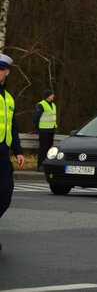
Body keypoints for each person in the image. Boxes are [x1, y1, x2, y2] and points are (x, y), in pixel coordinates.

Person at [0, 53, 25, 251]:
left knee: (6, 193)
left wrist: (18, 151)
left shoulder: (8, 98)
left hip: (3, 153)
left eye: (2, 70)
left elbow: (13, 127)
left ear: (6, 72)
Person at [33, 89, 56, 170]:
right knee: (43, 149)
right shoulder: (41, 105)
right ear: (48, 96)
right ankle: (40, 166)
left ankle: (47, 166)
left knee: (49, 149)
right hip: (43, 130)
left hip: (51, 130)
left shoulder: (53, 105)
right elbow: (36, 117)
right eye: (52, 95)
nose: (53, 96)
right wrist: (36, 129)